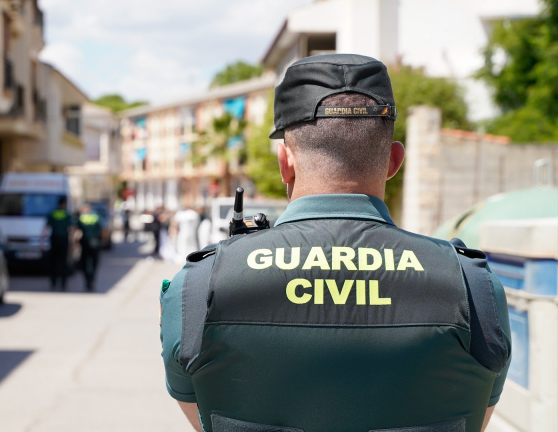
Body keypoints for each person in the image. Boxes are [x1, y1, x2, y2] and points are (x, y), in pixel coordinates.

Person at [159, 54, 511, 432]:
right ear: (394, 161)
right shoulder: (474, 289)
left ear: (285, 163)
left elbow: (203, 418)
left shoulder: (198, 288)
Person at [47, 196, 73, 291]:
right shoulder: (66, 214)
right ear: (64, 204)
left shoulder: (53, 213)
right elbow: (71, 228)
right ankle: (63, 283)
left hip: (54, 240)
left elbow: (46, 227)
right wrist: (73, 242)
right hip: (64, 240)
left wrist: (42, 241)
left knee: (53, 262)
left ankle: (53, 281)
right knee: (63, 262)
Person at [76, 205, 103, 291]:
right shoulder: (96, 217)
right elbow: (101, 229)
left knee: (84, 264)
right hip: (95, 243)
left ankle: (88, 280)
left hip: (85, 244)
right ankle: (91, 279)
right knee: (94, 264)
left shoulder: (81, 218)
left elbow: (76, 229)